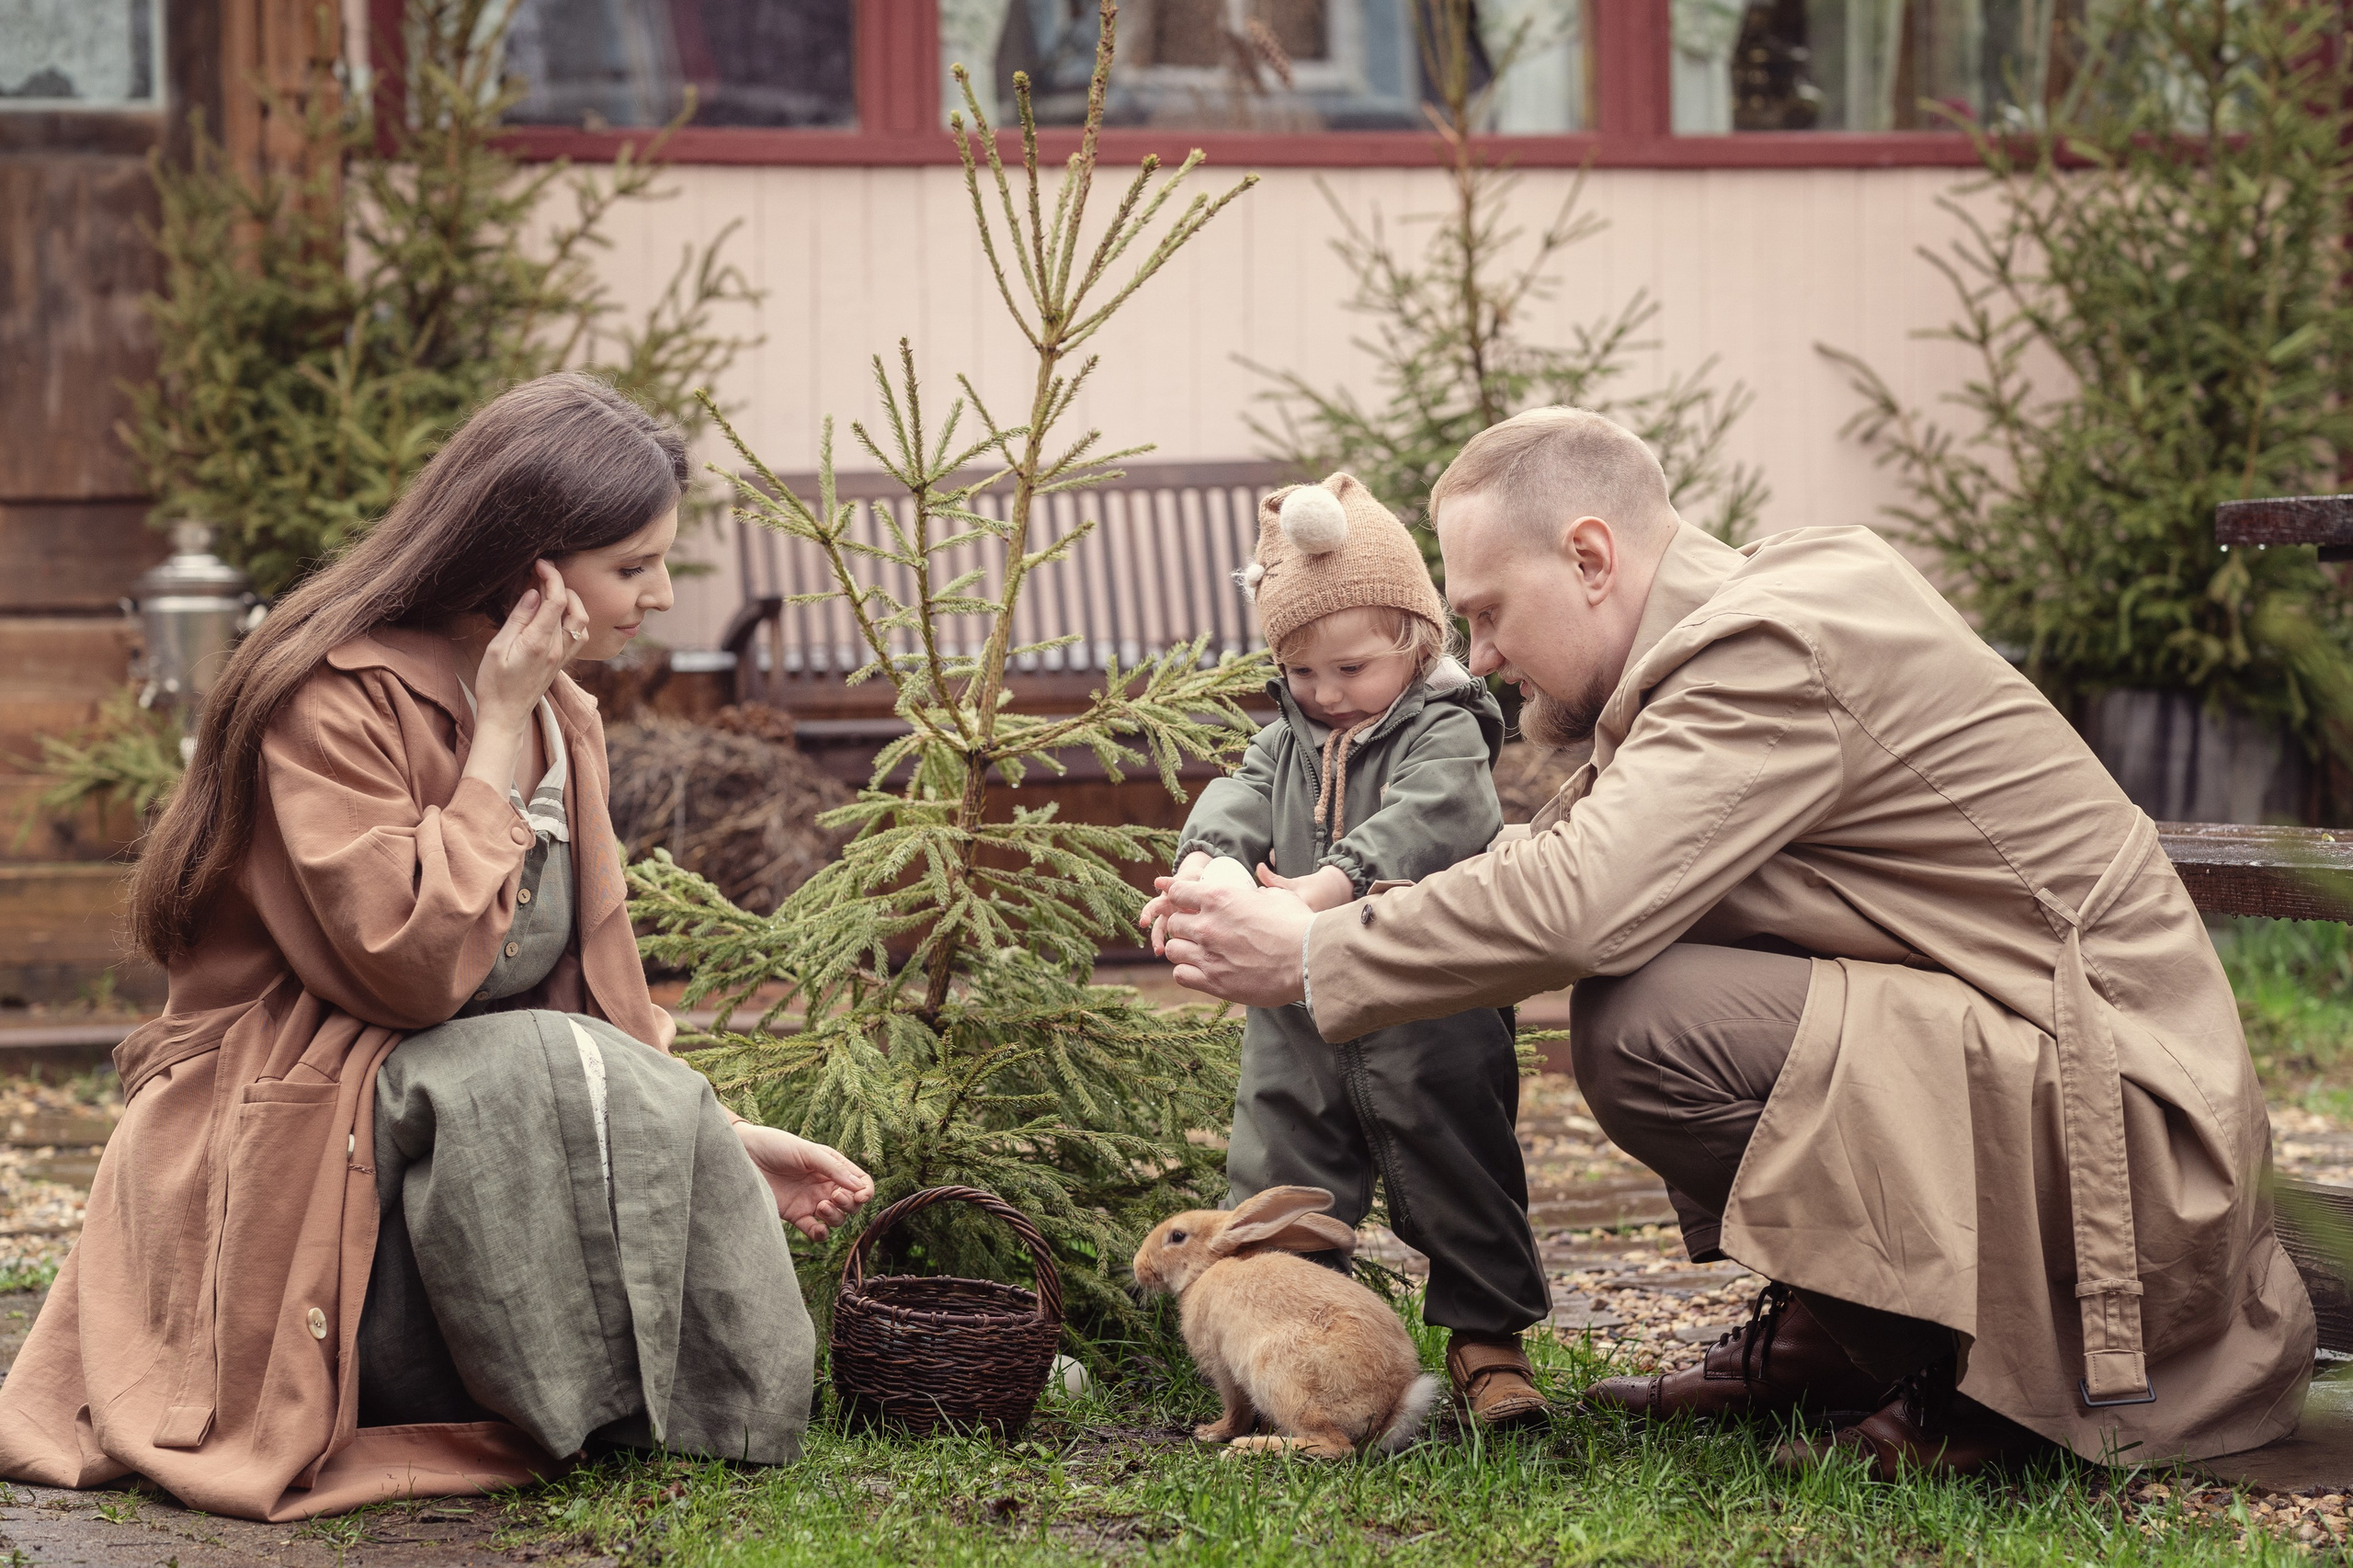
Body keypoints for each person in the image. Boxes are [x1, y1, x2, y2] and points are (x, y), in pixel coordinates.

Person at [1154, 407, 2313, 1476]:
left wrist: (1310, 956)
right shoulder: (1734, 635)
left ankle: (1996, 1390)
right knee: (1656, 983)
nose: (1485, 654)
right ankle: (1845, 1333)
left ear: (1591, 557)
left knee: (1648, 1022)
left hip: (2137, 1167)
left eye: (1490, 609)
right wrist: (1317, 907)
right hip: (2074, 1085)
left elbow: (1576, 899)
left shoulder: (1763, 652)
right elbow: (1559, 855)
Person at [0, 373, 873, 1519]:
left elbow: (594, 985)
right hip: (281, 1124)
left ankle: (695, 1412)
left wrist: (706, 1132)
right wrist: (496, 726)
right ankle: (519, 1395)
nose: (661, 593)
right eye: (633, 565)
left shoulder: (569, 716)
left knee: (540, 1059)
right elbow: (406, 967)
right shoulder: (332, 700)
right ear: (531, 571)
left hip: (430, 1127)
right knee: (519, 1068)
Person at [1140, 474, 1552, 1428]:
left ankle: (1488, 1344)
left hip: (1426, 1005)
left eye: (1350, 670)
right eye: (1300, 674)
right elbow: (1234, 798)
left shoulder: (1442, 732)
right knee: (1277, 1169)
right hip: (1296, 1020)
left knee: (1459, 1163)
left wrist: (1330, 883)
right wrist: (1206, 869)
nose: (1324, 694)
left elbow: (1439, 815)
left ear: (1417, 644)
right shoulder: (1281, 742)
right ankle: (1297, 1334)